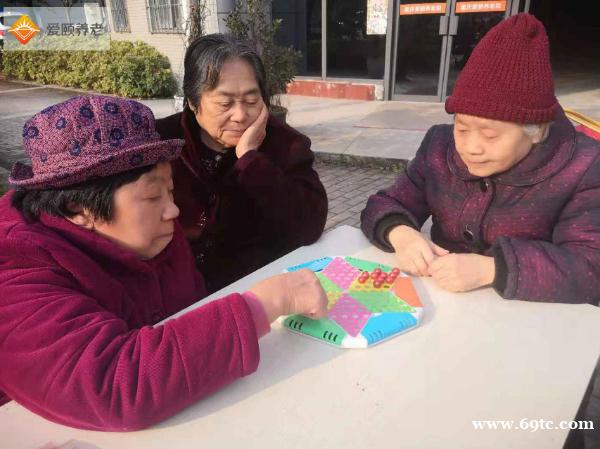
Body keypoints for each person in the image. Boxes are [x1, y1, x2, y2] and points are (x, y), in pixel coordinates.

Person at [0, 95, 327, 431]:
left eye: (169, 192)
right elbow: (113, 384)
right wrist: (263, 305)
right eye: (152, 196)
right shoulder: (15, 268)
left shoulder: (152, 234)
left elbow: (190, 307)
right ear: (78, 209)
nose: (173, 210)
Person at [360, 13, 600, 304]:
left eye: (490, 135)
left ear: (536, 131)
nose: (471, 147)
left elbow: (590, 267)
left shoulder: (583, 167)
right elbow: (386, 203)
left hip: (531, 317)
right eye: (462, 128)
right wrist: (401, 234)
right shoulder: (440, 146)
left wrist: (493, 269)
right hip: (442, 304)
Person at [156, 34, 328, 293]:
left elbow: (310, 226)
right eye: (225, 103)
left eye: (251, 101)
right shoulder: (161, 141)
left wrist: (250, 160)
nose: (240, 115)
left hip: (258, 289)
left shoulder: (286, 144)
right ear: (192, 101)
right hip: (177, 292)